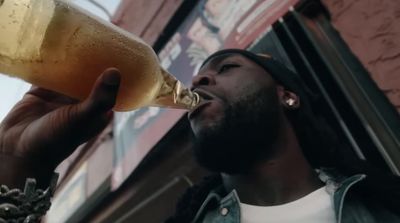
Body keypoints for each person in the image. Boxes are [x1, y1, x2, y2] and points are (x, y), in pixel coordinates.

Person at [0, 49, 399, 223]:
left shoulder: (386, 205)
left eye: (226, 67)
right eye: (201, 73)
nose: (201, 78)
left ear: (287, 96)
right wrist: (18, 161)